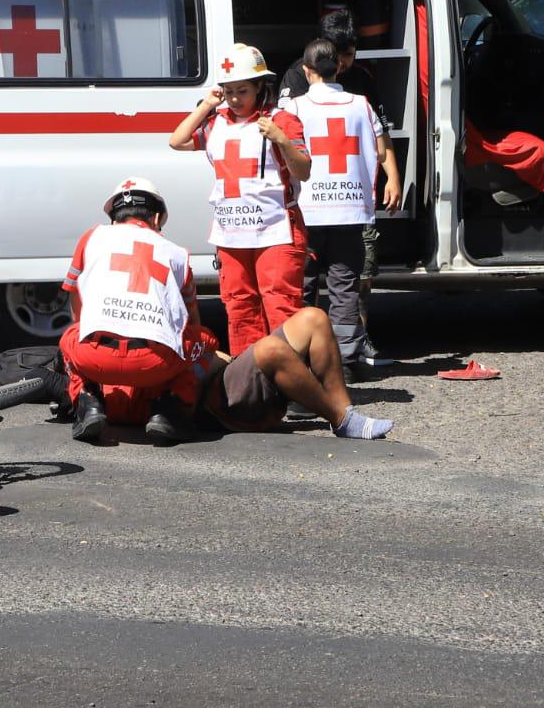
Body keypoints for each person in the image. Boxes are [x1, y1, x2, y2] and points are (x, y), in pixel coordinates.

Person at [168, 43, 311, 355]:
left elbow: (303, 171)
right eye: (228, 91)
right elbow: (176, 141)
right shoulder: (215, 122)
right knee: (239, 306)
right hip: (232, 233)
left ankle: (291, 382)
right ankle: (250, 384)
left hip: (277, 230)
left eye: (242, 91)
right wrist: (206, 105)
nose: (234, 99)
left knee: (281, 304)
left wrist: (282, 140)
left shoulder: (282, 121)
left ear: (260, 86)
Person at [59, 177, 217, 445]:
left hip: (94, 358)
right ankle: (170, 409)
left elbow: (76, 299)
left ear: (113, 217)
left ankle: (87, 401)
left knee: (69, 337)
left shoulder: (91, 237)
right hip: (154, 362)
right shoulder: (178, 254)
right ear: (156, 218)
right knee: (206, 341)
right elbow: (191, 321)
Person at [283, 38, 400, 379]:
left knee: (303, 287)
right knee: (344, 288)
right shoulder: (361, 105)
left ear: (306, 72)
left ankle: (301, 361)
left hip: (308, 212)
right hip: (350, 212)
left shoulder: (294, 109)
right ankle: (344, 365)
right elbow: (379, 153)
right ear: (338, 69)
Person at [196, 305, 394, 440]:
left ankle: (345, 412)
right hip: (211, 399)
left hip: (223, 369)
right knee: (270, 349)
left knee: (314, 318)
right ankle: (340, 418)